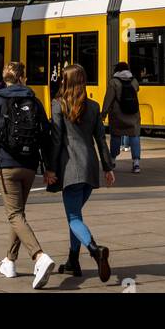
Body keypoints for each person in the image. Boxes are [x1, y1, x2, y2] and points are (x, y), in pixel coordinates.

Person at [0, 60, 56, 288]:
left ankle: (39, 257)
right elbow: (46, 136)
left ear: (5, 78)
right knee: (18, 214)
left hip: (7, 165)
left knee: (14, 215)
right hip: (30, 166)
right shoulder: (34, 101)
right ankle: (10, 262)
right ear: (23, 77)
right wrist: (49, 168)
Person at [50, 63, 115, 282]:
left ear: (65, 82)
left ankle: (95, 249)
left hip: (70, 169)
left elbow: (57, 140)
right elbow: (100, 140)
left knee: (74, 217)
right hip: (90, 169)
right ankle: (72, 261)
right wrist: (107, 168)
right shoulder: (94, 107)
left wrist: (49, 168)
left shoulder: (58, 105)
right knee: (76, 215)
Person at [101, 60, 142, 174]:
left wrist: (103, 113)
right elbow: (137, 90)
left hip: (117, 114)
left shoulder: (113, 82)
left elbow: (108, 99)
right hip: (133, 114)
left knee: (116, 136)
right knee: (134, 136)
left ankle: (113, 160)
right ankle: (136, 163)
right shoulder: (134, 81)